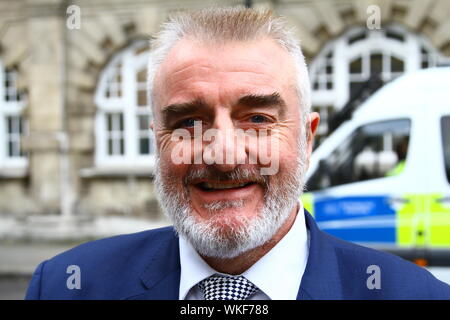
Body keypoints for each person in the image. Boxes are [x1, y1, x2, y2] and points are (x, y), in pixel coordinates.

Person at [25, 7, 450, 300]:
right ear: (158, 141)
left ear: (308, 139)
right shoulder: (66, 286)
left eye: (258, 120)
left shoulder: (419, 295)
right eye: (188, 121)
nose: (224, 155)